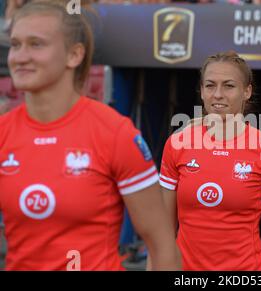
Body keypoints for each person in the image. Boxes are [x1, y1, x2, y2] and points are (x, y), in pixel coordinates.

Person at [0, 0, 180, 270]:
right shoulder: (4, 133)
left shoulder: (115, 134)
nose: (20, 56)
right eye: (15, 44)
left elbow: (162, 245)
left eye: (36, 44)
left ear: (74, 55)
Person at [159, 51, 261, 271]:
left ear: (246, 91)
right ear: (202, 91)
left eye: (229, 86)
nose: (218, 94)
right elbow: (163, 230)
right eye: (210, 85)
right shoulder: (177, 144)